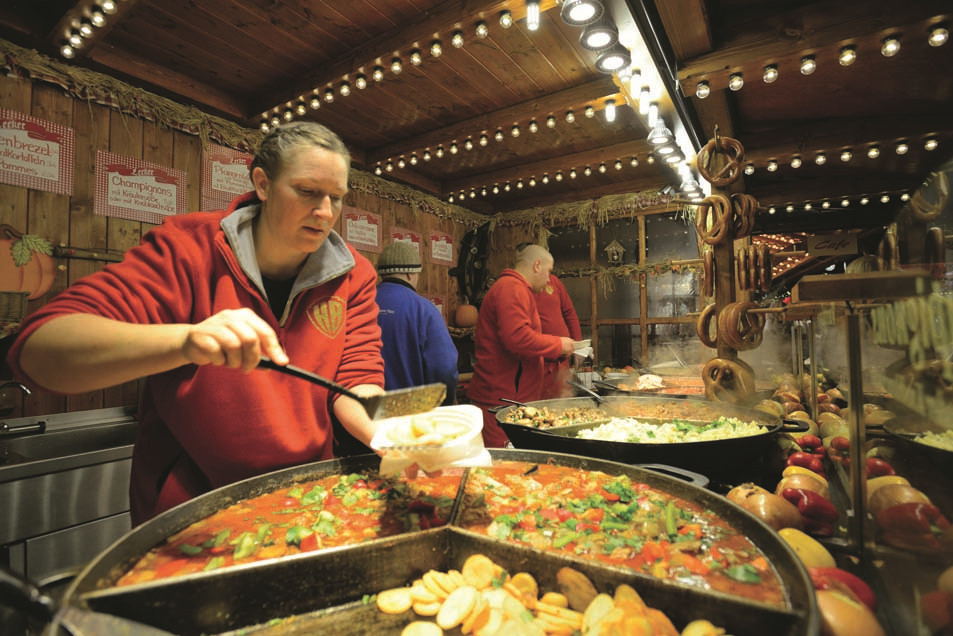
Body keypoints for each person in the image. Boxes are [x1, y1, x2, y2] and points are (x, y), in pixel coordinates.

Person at [6, 121, 386, 525]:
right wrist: (187, 340)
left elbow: (358, 379)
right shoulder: (188, 248)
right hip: (193, 509)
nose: (325, 212)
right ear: (263, 184)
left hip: (307, 497)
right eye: (307, 191)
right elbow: (39, 350)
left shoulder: (354, 274)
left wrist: (391, 434)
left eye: (336, 198)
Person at [465, 244, 575, 447]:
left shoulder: (517, 288)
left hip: (510, 397)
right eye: (549, 271)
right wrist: (558, 345)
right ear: (537, 265)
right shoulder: (511, 288)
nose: (549, 279)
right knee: (503, 459)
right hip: (500, 399)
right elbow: (517, 337)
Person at [375, 241, 458, 405]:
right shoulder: (424, 310)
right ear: (410, 274)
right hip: (410, 412)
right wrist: (445, 404)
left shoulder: (360, 303)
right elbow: (444, 368)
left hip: (362, 412)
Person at [516, 242, 582, 399]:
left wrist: (578, 346)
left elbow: (569, 312)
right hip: (539, 361)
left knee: (565, 400)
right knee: (543, 403)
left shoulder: (553, 282)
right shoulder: (518, 289)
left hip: (563, 358)